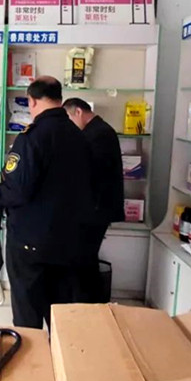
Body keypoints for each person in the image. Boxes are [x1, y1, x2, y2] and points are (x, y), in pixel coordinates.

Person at [0, 76, 93, 329]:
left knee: (28, 316)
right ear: (60, 99)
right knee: (61, 317)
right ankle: (59, 354)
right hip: (69, 242)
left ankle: (34, 355)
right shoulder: (79, 136)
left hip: (31, 243)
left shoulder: (31, 137)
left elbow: (17, 191)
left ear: (31, 101)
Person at [63, 98, 125, 302]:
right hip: (94, 208)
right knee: (85, 259)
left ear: (78, 112)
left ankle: (88, 304)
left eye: (69, 118)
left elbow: (90, 173)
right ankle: (87, 302)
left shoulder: (98, 134)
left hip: (95, 209)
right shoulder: (98, 131)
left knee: (83, 259)